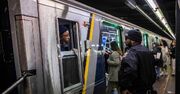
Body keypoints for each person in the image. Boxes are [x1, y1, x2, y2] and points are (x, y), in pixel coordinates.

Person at [118, 29, 156, 94]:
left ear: (132, 40)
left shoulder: (132, 52)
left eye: (127, 39)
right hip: (148, 88)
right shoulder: (148, 51)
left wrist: (125, 87)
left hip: (135, 89)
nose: (125, 41)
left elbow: (130, 70)